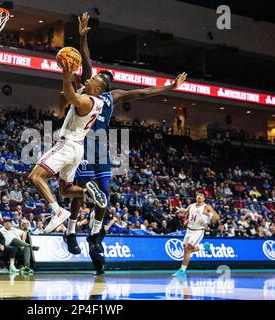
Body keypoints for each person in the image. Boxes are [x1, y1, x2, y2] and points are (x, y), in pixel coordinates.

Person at [62, 12, 188, 275]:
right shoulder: (87, 85)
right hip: (82, 141)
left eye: (97, 79)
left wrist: (170, 88)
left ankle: (95, 235)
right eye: (92, 77)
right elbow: (86, 60)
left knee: (104, 193)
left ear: (104, 85)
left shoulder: (112, 95)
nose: (91, 78)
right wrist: (83, 36)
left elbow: (142, 92)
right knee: (83, 189)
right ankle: (71, 230)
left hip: (101, 145)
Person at [27, 31, 110, 234]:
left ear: (98, 89)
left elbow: (70, 95)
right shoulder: (94, 96)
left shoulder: (87, 101)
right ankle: (88, 192)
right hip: (77, 149)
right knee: (65, 190)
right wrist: (72, 62)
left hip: (67, 145)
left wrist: (66, 75)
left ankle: (57, 212)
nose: (89, 80)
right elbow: (83, 73)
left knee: (35, 177)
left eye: (94, 81)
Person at [172, 191, 220, 277]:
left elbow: (217, 217)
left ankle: (182, 271)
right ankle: (203, 247)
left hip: (198, 231)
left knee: (187, 250)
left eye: (201, 195)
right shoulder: (191, 205)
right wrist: (181, 212)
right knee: (186, 250)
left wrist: (209, 214)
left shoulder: (206, 207)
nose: (199, 196)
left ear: (204, 198)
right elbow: (185, 214)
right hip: (189, 230)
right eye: (198, 195)